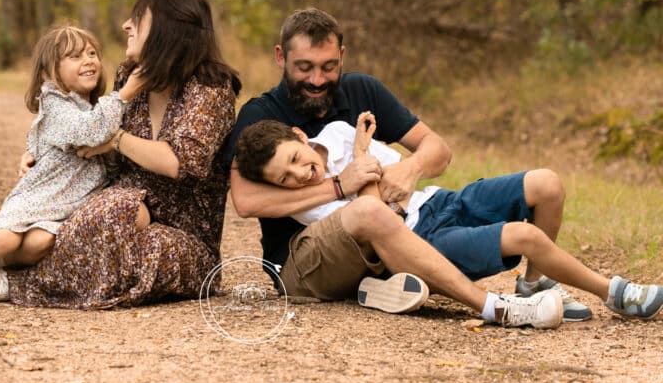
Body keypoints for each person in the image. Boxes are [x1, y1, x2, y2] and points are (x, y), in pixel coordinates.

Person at [226, 7, 574, 329]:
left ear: (342, 57)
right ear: (280, 57)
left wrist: (411, 169)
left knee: (532, 189)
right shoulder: (259, 118)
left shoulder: (362, 89)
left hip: (378, 234)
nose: (317, 79)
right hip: (302, 264)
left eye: (328, 67)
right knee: (369, 212)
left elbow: (437, 149)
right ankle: (492, 307)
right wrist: (339, 186)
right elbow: (245, 201)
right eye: (304, 67)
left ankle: (387, 285)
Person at [234, 113, 663, 321]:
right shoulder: (309, 202)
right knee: (524, 236)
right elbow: (382, 213)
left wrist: (374, 175)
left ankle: (531, 285)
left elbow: (400, 179)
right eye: (284, 178)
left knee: (546, 183)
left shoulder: (342, 132)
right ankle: (615, 293)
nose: (297, 174)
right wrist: (362, 165)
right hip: (423, 240)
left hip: (441, 201)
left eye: (293, 158)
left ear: (298, 136)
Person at [0, 0, 241, 309]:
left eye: (137, 18)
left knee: (133, 242)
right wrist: (42, 152)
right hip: (118, 206)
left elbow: (179, 162)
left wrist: (116, 140)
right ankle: (5, 264)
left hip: (180, 234)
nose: (126, 25)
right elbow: (89, 131)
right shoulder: (129, 76)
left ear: (166, 29)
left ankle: (11, 285)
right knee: (61, 230)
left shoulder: (210, 89)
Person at [0, 24, 138, 300]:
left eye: (92, 53)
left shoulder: (94, 108)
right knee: (7, 237)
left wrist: (32, 151)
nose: (88, 61)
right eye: (75, 56)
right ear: (48, 74)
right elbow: (87, 131)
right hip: (40, 197)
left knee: (42, 241)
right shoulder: (57, 103)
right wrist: (125, 93)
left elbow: (45, 137)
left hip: (66, 206)